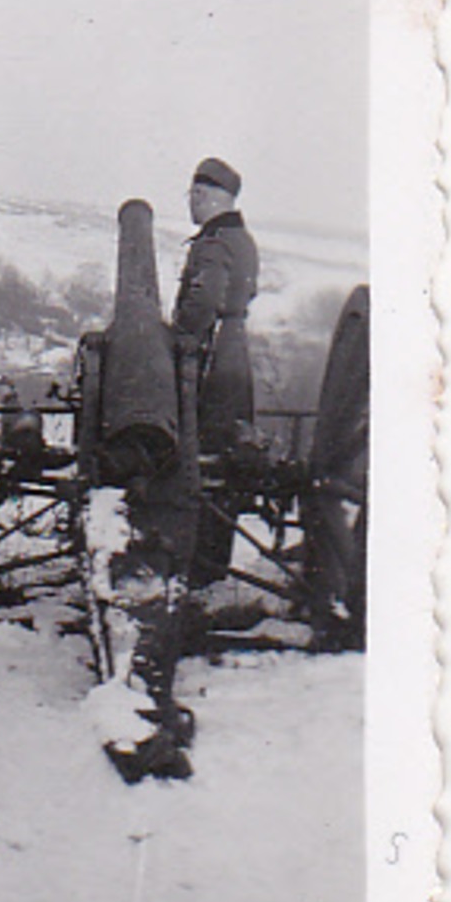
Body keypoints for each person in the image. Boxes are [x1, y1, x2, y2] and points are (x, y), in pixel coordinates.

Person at [171, 156, 259, 586]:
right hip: (235, 348)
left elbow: (202, 304)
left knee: (201, 451)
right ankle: (212, 564)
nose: (190, 203)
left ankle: (197, 568)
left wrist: (179, 343)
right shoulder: (243, 240)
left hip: (210, 356)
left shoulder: (214, 244)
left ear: (205, 196)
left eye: (193, 195)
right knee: (224, 453)